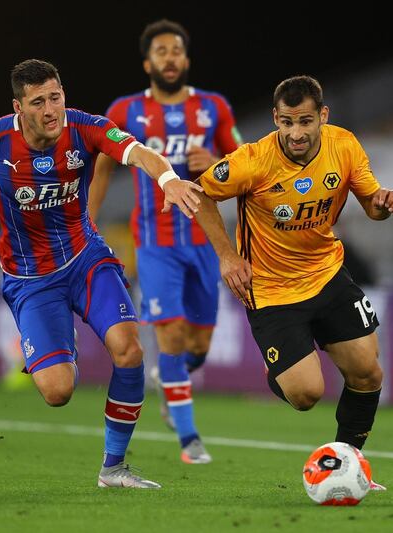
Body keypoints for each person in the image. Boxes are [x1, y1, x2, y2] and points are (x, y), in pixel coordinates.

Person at [0, 59, 204, 489]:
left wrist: (168, 181)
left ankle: (114, 468)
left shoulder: (84, 127)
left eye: (56, 97)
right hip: (31, 280)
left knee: (129, 351)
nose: (52, 110)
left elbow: (140, 152)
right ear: (19, 107)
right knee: (57, 392)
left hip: (87, 258)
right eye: (39, 102)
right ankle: (52, 339)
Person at [193, 75, 393, 490]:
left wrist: (381, 205)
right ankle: (280, 372)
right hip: (271, 290)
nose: (296, 133)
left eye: (305, 121)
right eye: (287, 123)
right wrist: (227, 256)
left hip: (326, 274)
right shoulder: (252, 160)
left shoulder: (344, 145)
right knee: (305, 395)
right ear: (276, 119)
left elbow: (370, 204)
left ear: (322, 117)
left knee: (368, 372)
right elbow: (198, 194)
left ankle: (349, 463)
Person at [89, 19, 241, 465]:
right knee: (170, 333)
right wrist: (88, 222)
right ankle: (190, 439)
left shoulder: (213, 108)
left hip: (207, 241)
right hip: (154, 244)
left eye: (176, 50)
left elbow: (249, 161)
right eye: (161, 51)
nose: (169, 57)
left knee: (198, 346)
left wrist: (216, 160)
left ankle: (171, 379)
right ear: (147, 62)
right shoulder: (125, 110)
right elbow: (101, 166)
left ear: (187, 60)